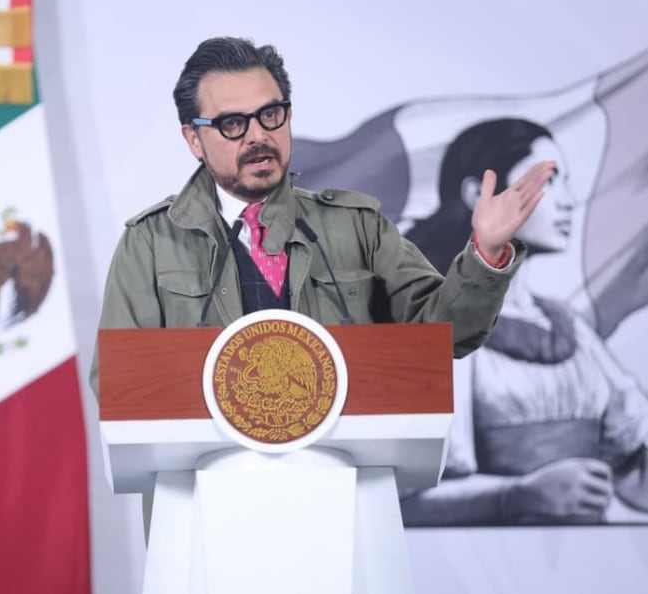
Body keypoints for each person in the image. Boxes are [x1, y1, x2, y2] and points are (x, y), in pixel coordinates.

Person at [90, 37, 557, 394]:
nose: (258, 136)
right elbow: (119, 385)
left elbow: (443, 335)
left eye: (270, 114)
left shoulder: (357, 225)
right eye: (233, 124)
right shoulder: (150, 242)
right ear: (194, 140)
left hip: (342, 491)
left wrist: (486, 253)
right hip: (207, 502)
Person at [399, 118, 648, 525]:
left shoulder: (567, 326)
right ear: (480, 195)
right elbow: (405, 498)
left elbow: (632, 467)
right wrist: (518, 496)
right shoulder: (434, 325)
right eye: (549, 180)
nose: (569, 200)